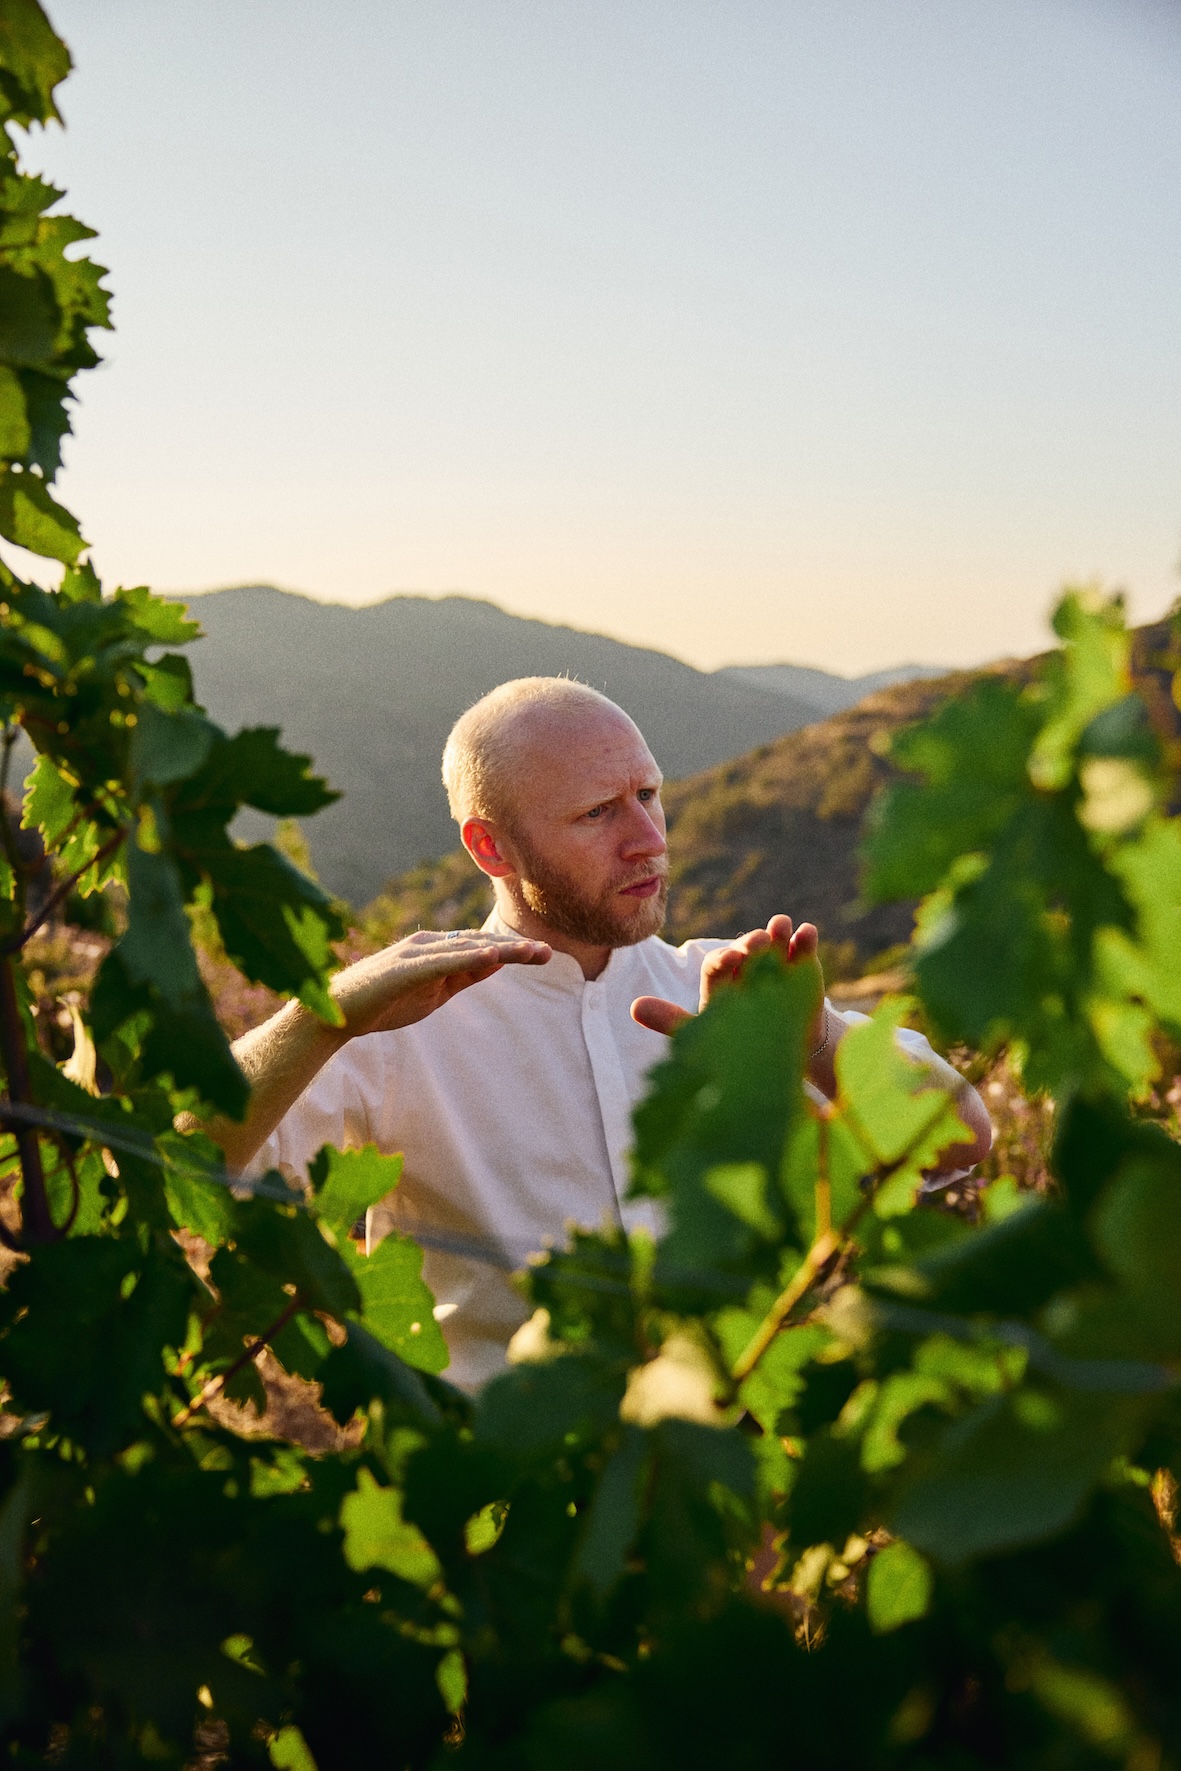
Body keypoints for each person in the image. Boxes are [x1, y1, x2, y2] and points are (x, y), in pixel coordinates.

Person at [208, 678, 990, 1391]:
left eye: (648, 793)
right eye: (595, 813)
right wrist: (321, 1022)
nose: (647, 837)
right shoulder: (397, 1016)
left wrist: (813, 1042)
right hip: (493, 1494)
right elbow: (187, 1155)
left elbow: (962, 1137)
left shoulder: (723, 985)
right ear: (491, 848)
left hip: (714, 1478)